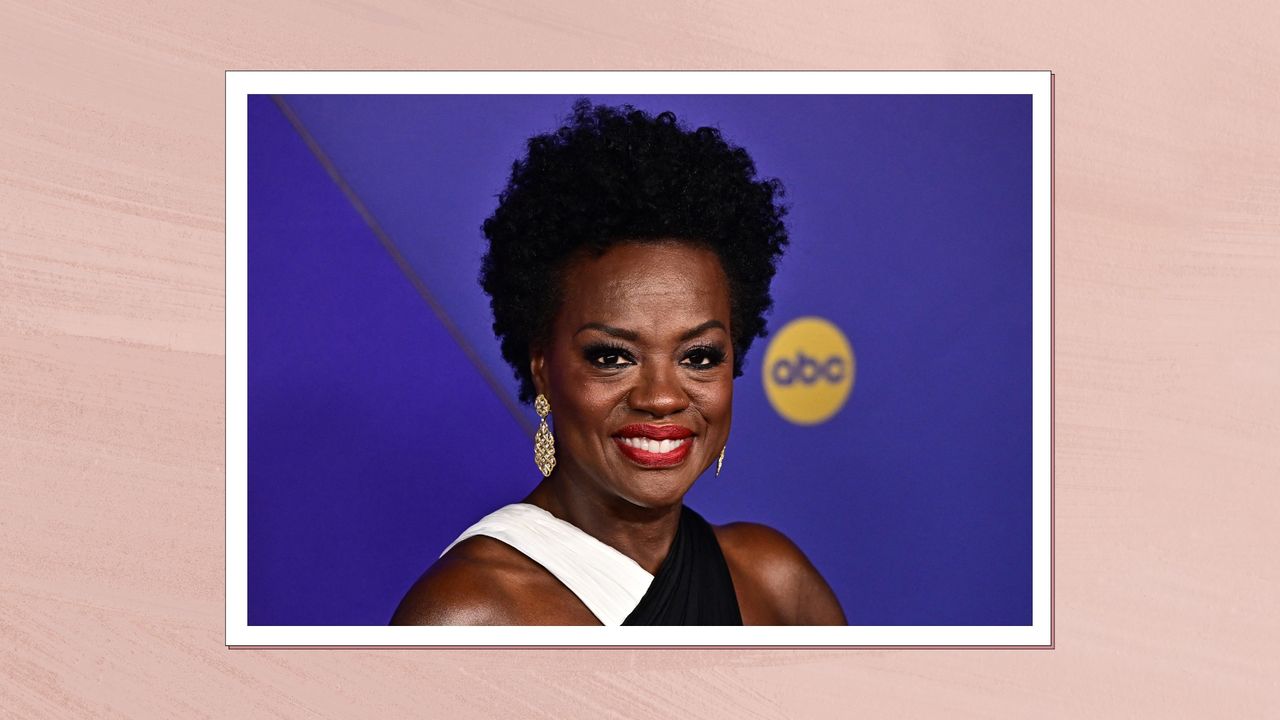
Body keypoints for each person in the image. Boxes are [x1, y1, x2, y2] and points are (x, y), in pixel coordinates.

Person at [391, 100, 845, 626]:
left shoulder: (773, 581)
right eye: (612, 357)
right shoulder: (469, 616)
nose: (661, 397)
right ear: (541, 364)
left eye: (699, 356)